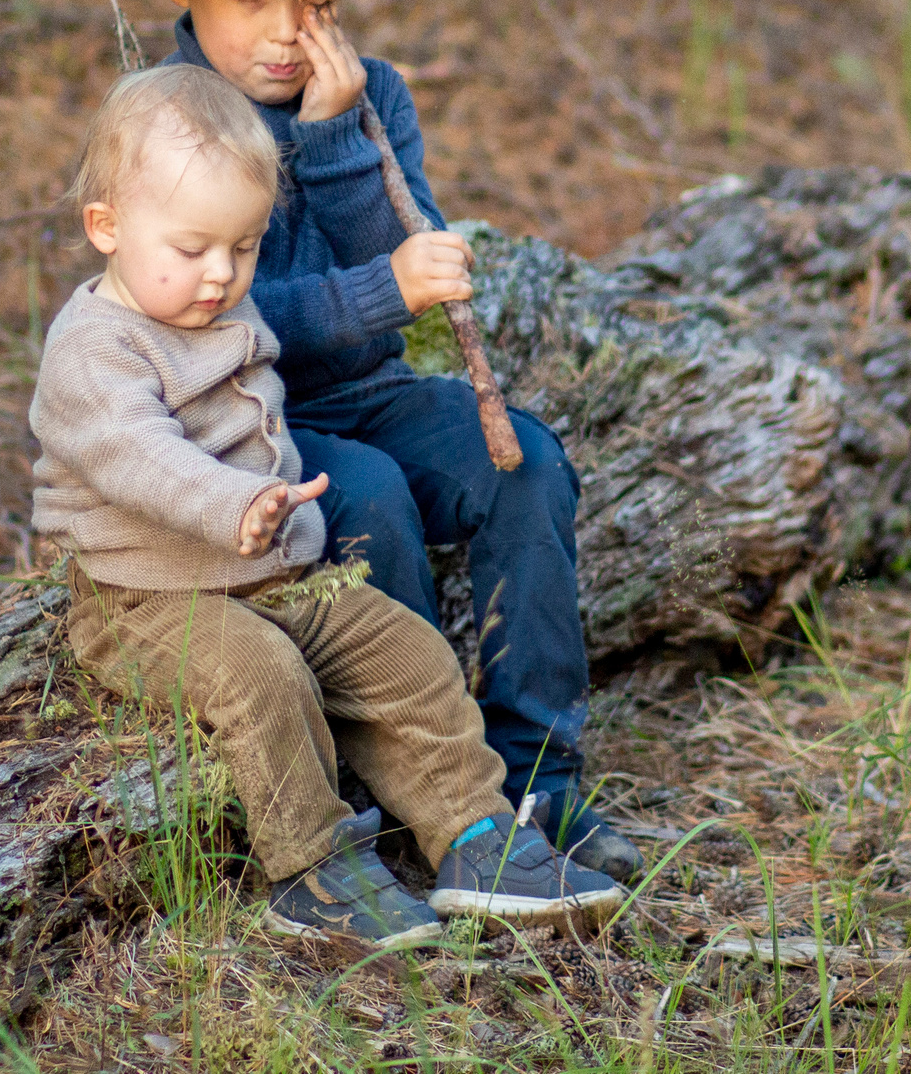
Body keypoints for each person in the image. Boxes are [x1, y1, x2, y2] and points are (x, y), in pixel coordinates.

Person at [99, 0, 644, 884]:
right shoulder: (165, 126)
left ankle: (538, 772)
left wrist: (339, 143)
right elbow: (192, 319)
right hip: (239, 421)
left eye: (316, 0)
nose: (284, 31)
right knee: (368, 496)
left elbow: (406, 275)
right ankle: (411, 785)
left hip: (364, 390)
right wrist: (374, 291)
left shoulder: (369, 95)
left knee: (520, 464)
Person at [31, 62, 625, 948]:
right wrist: (239, 502)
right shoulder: (95, 347)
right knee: (260, 676)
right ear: (105, 227)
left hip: (264, 571)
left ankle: (477, 835)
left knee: (403, 654)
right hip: (144, 595)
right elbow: (137, 457)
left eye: (244, 249)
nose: (220, 275)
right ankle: (313, 868)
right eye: (193, 250)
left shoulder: (216, 305)